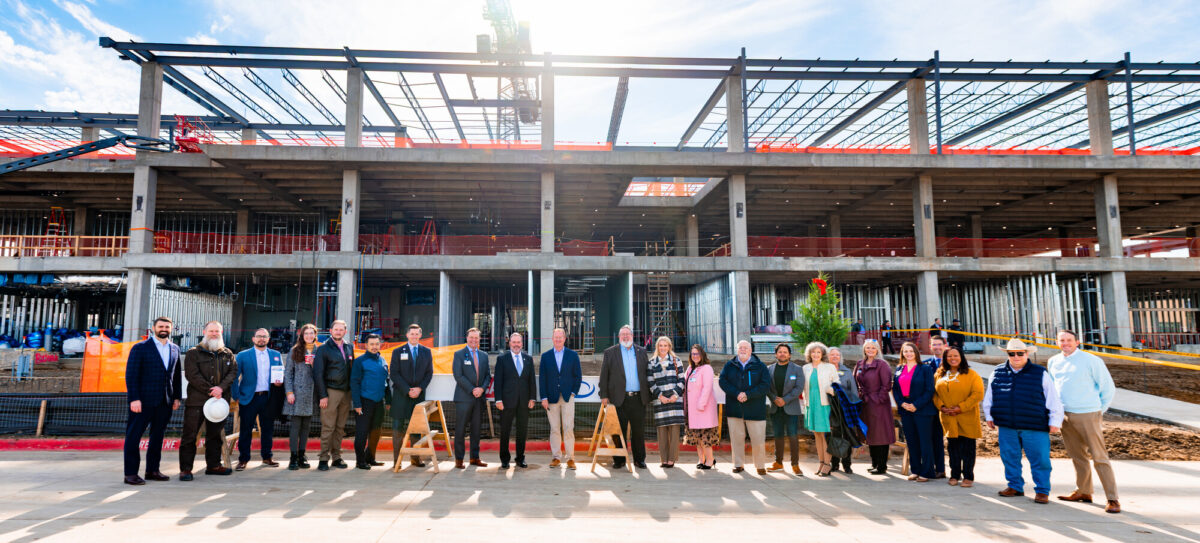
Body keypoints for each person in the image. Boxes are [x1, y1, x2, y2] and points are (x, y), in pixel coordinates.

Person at [984, 338, 1064, 504]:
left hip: (1034, 425)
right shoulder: (997, 372)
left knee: (1040, 459)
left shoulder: (1040, 373)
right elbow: (989, 397)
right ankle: (1015, 486)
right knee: (1009, 457)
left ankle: (1042, 490)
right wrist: (989, 416)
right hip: (1007, 424)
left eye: (1020, 353)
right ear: (1008, 354)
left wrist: (1055, 420)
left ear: (1027, 354)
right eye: (1012, 353)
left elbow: (1053, 398)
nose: (1016, 357)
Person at [1049, 330, 1120, 514]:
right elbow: (1054, 389)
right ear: (1057, 342)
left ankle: (1112, 499)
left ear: (1077, 342)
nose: (1065, 343)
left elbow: (1108, 388)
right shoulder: (1053, 362)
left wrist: (1098, 410)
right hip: (1065, 415)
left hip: (1088, 414)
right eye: (1062, 340)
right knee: (1077, 456)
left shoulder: (1091, 361)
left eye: (1069, 340)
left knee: (1099, 457)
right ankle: (1083, 491)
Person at [123, 316, 182, 485]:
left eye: (167, 327)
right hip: (143, 401)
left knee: (157, 437)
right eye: (161, 326)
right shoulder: (140, 348)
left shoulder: (175, 349)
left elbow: (176, 376)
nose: (164, 329)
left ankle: (152, 470)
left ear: (171, 329)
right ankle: (130, 474)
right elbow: (131, 375)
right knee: (133, 437)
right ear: (153, 328)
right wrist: (134, 398)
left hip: (165, 401)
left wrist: (176, 397)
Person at [180, 321, 237, 481]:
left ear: (221, 333)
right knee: (190, 436)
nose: (214, 334)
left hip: (219, 403)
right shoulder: (193, 353)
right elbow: (192, 375)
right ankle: (186, 469)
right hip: (197, 402)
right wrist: (211, 390)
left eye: (217, 331)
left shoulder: (227, 353)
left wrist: (221, 388)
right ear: (204, 332)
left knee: (215, 435)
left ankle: (213, 466)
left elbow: (233, 372)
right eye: (211, 331)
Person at [599, 325, 651, 470]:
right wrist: (604, 395)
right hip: (618, 399)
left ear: (632, 336)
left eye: (628, 334)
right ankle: (619, 460)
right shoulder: (610, 352)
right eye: (623, 334)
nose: (625, 337)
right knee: (616, 431)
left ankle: (639, 460)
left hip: (638, 398)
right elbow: (604, 376)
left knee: (638, 431)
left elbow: (647, 373)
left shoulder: (642, 351)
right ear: (619, 337)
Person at [232, 328, 284, 471]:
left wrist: (279, 381)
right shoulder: (243, 355)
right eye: (259, 336)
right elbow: (234, 377)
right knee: (246, 429)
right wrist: (236, 396)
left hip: (268, 397)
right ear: (253, 339)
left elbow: (280, 373)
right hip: (249, 398)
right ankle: (243, 459)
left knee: (267, 429)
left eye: (264, 336)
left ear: (268, 339)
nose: (262, 339)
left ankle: (267, 457)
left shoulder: (276, 355)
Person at [933, 346, 983, 487]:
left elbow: (977, 394)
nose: (952, 358)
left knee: (968, 448)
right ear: (945, 358)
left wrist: (961, 407)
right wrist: (941, 406)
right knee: (953, 447)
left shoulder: (972, 375)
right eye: (949, 356)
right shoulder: (939, 374)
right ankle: (954, 475)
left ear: (961, 357)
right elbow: (935, 394)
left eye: (955, 355)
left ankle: (968, 476)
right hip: (948, 417)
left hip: (967, 416)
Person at [720, 340, 771, 475]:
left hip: (755, 409)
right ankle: (738, 464)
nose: (743, 350)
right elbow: (722, 381)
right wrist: (736, 393)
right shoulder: (729, 365)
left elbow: (765, 385)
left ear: (751, 350)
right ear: (737, 350)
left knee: (758, 439)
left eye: (746, 348)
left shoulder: (760, 366)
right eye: (740, 348)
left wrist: (748, 395)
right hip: (735, 408)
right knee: (736, 438)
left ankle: (760, 465)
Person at [313, 320, 354, 471]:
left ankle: (336, 457)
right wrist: (322, 395)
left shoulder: (349, 347)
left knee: (340, 427)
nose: (338, 332)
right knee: (328, 426)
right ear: (331, 331)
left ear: (345, 331)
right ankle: (323, 458)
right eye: (336, 329)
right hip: (331, 391)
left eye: (341, 329)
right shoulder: (323, 348)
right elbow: (318, 374)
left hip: (346, 392)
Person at [390, 323, 433, 468]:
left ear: (420, 335)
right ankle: (397, 461)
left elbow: (429, 373)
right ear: (407, 335)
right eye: (412, 334)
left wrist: (419, 388)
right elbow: (394, 373)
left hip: (418, 397)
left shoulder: (426, 352)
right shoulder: (397, 351)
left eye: (417, 334)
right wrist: (407, 389)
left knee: (416, 429)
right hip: (401, 396)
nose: (414, 336)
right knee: (398, 429)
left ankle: (415, 458)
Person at [893, 341, 936, 482]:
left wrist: (916, 405)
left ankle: (927, 471)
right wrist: (902, 403)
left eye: (911, 351)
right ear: (902, 353)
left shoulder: (925, 368)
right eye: (905, 351)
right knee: (911, 441)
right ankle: (915, 470)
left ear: (916, 352)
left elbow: (929, 390)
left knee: (924, 442)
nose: (908, 353)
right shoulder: (899, 369)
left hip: (922, 409)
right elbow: (896, 390)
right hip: (905, 409)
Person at [541, 328, 582, 469]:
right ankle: (556, 457)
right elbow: (542, 379)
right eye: (556, 337)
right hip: (551, 398)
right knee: (554, 428)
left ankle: (570, 458)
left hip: (567, 397)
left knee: (568, 427)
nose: (558, 339)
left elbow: (578, 376)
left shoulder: (573, 355)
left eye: (560, 337)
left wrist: (573, 393)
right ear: (552, 339)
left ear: (564, 339)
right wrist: (544, 397)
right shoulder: (545, 356)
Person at [495, 332, 536, 469]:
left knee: (522, 431)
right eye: (514, 342)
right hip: (506, 402)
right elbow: (498, 382)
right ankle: (504, 459)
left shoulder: (528, 359)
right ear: (509, 343)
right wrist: (498, 400)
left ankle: (520, 458)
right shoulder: (502, 359)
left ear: (522, 344)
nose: (516, 345)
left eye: (519, 342)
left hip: (524, 402)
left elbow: (531, 380)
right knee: (505, 431)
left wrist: (532, 398)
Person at [452, 328, 491, 468]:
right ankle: (459, 459)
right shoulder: (459, 354)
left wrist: (482, 389)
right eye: (471, 337)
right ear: (467, 338)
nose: (474, 340)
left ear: (479, 339)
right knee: (460, 429)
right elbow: (458, 375)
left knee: (476, 429)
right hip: (464, 398)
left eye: (476, 338)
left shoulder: (484, 355)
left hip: (479, 398)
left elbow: (487, 376)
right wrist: (472, 389)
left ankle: (475, 458)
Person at [855, 339, 895, 474]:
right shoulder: (860, 364)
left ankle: (882, 466)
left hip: (878, 404)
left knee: (881, 434)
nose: (870, 350)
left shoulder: (882, 365)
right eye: (868, 348)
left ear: (877, 349)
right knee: (870, 433)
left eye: (873, 348)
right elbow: (855, 382)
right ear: (864, 349)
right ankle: (874, 463)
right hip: (864, 403)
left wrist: (877, 400)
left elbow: (886, 385)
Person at [351, 334, 390, 470]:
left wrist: (388, 400)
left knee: (376, 432)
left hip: (379, 402)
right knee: (362, 432)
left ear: (380, 345)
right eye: (371, 344)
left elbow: (386, 382)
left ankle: (370, 458)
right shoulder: (360, 361)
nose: (374, 347)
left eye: (377, 344)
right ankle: (360, 461)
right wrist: (357, 404)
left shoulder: (383, 361)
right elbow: (354, 383)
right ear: (366, 346)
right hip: (364, 402)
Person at [284, 323, 319, 470]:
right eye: (306, 333)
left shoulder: (319, 351)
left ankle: (302, 455)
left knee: (306, 427)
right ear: (302, 335)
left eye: (311, 333)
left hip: (312, 393)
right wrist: (289, 392)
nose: (309, 336)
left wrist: (314, 364)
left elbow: (322, 373)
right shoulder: (295, 350)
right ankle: (293, 457)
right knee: (295, 426)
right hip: (297, 393)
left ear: (315, 335)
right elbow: (288, 373)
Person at [766, 343, 804, 475]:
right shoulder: (769, 369)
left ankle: (795, 464)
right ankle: (778, 463)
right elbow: (766, 387)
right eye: (780, 352)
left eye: (785, 352)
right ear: (776, 354)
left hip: (791, 408)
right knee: (778, 436)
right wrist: (774, 398)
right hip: (775, 407)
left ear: (789, 355)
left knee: (793, 436)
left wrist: (785, 400)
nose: (782, 354)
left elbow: (799, 388)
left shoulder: (797, 369)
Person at [648, 336, 686, 468]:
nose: (663, 348)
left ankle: (672, 459)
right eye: (660, 345)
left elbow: (682, 380)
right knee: (662, 431)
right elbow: (650, 382)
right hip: (660, 400)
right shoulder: (651, 362)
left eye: (665, 345)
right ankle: (663, 459)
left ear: (669, 347)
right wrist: (660, 396)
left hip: (675, 400)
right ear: (657, 347)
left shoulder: (676, 361)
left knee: (675, 432)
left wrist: (675, 394)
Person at [802, 342, 838, 477]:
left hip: (824, 405)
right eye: (813, 352)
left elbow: (837, 384)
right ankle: (821, 463)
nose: (816, 354)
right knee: (817, 435)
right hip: (811, 404)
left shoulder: (829, 367)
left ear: (822, 354)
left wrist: (831, 389)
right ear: (809, 354)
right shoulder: (805, 368)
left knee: (825, 435)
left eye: (818, 352)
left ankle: (827, 464)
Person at [683, 344, 718, 470]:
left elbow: (707, 388)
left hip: (703, 409)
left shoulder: (707, 368)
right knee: (696, 437)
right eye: (693, 354)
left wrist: (701, 404)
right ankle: (701, 459)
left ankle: (710, 460)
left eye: (697, 353)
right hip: (691, 409)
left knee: (705, 437)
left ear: (702, 354)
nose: (695, 356)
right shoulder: (690, 368)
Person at [828, 346, 860, 473]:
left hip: (845, 409)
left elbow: (853, 391)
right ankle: (834, 463)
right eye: (832, 354)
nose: (835, 357)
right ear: (827, 356)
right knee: (834, 435)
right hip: (830, 408)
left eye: (837, 355)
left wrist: (854, 408)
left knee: (847, 435)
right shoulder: (824, 370)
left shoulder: (846, 371)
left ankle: (847, 464)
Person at [921, 335, 949, 478]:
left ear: (945, 345)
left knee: (951, 440)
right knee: (933, 438)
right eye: (934, 344)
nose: (937, 347)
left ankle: (954, 470)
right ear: (930, 346)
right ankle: (936, 468)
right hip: (930, 407)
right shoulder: (925, 364)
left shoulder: (952, 362)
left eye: (939, 344)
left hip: (949, 407)